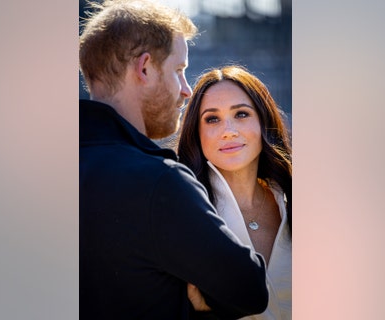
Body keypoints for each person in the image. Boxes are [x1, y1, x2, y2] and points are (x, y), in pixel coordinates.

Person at [79, 1, 269, 319]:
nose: (187, 91)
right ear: (145, 68)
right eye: (179, 71)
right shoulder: (159, 183)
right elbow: (251, 292)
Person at [178, 66, 292, 320]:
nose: (228, 130)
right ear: (197, 132)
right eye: (212, 119)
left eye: (241, 114)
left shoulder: (299, 201)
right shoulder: (180, 213)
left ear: (264, 121)